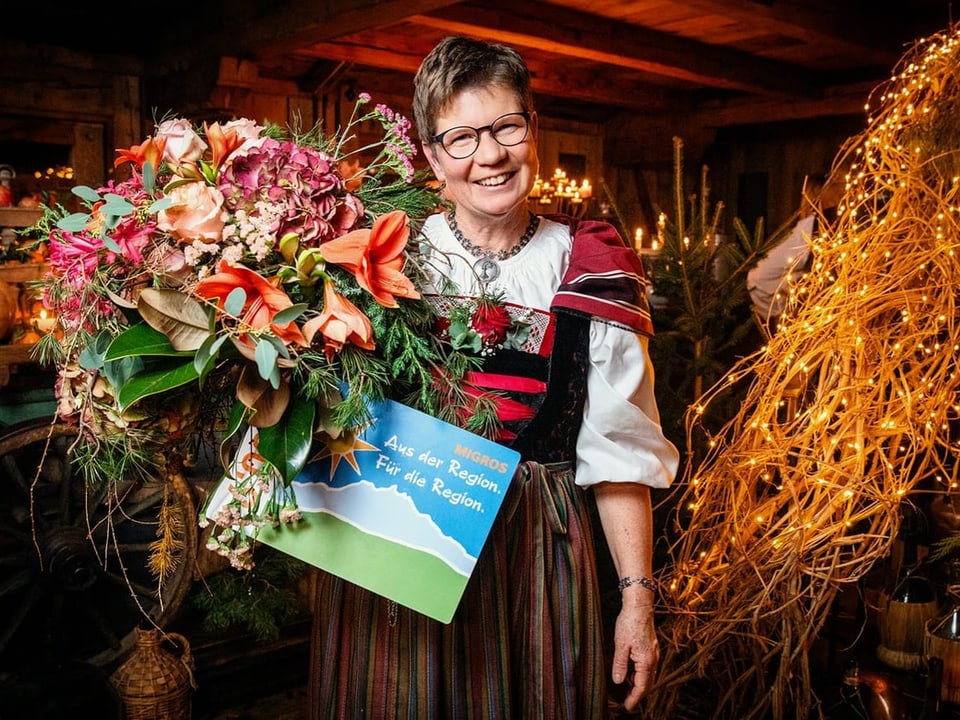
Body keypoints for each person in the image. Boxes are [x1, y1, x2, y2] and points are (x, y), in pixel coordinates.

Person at [307, 36, 679, 720]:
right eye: (462, 137)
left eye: (507, 126)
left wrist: (636, 601)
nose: (490, 155)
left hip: (537, 554)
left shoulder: (588, 265)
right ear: (431, 156)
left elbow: (619, 457)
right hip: (400, 540)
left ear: (533, 129)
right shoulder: (381, 252)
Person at [747, 173, 839, 333]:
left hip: (810, 323)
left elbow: (757, 277)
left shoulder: (812, 226)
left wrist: (775, 313)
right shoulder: (844, 222)